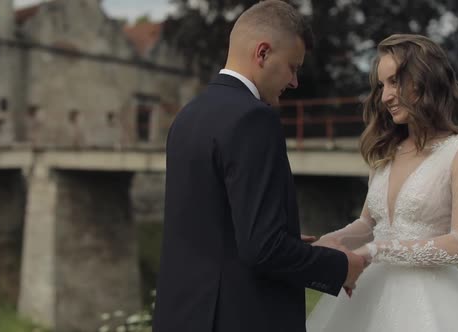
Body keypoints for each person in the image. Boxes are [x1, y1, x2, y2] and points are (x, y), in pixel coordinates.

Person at [151, 1, 366, 332]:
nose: (294, 82)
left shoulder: (188, 116)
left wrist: (294, 245)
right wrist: (340, 266)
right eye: (293, 67)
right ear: (263, 53)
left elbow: (213, 229)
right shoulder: (254, 118)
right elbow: (262, 250)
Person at [306, 34, 458, 331]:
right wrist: (332, 242)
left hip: (430, 304)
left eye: (395, 82)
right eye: (381, 86)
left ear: (425, 79)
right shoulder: (386, 149)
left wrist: (377, 251)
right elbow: (368, 224)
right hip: (365, 296)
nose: (386, 96)